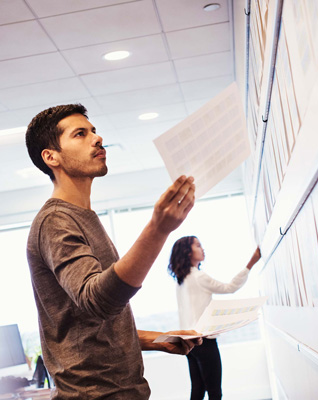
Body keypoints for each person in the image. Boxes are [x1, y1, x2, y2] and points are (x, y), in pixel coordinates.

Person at [25, 103, 201, 399]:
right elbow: (99, 301)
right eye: (80, 134)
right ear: (51, 157)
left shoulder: (81, 217)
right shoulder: (55, 222)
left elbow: (91, 325)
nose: (97, 138)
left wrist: (155, 339)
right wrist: (158, 230)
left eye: (94, 131)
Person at [168, 236, 261, 400]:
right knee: (214, 392)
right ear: (187, 252)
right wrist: (250, 263)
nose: (203, 249)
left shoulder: (181, 280)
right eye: (198, 245)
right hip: (204, 341)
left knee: (198, 390)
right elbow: (229, 287)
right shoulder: (198, 277)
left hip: (188, 341)